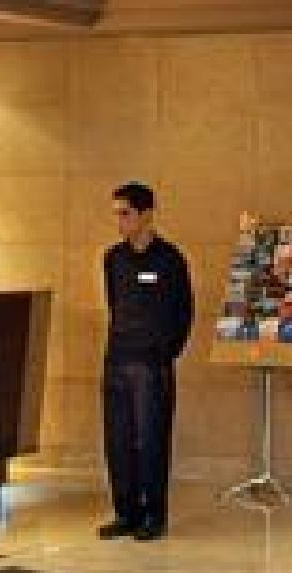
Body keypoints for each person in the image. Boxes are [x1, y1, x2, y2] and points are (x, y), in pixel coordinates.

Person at [98, 182, 192, 542]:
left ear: (146, 214)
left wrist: (165, 352)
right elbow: (114, 303)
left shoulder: (170, 259)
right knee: (118, 440)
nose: (119, 221)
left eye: (125, 214)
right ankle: (126, 512)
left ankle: (154, 514)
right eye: (116, 214)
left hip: (151, 365)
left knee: (151, 439)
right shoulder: (113, 258)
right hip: (117, 360)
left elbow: (183, 311)